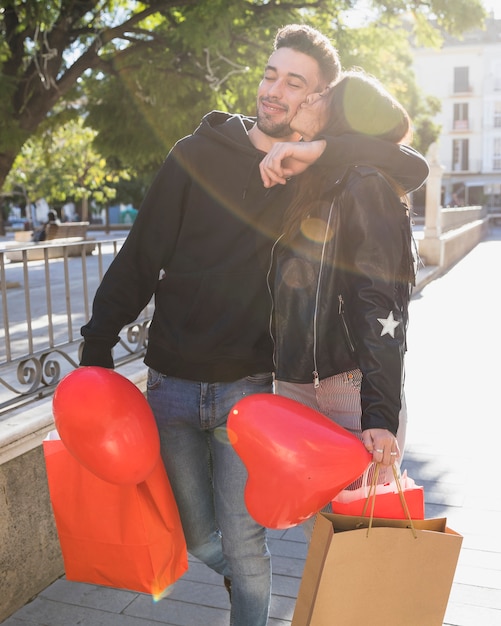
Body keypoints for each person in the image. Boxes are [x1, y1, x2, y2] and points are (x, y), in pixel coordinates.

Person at [80, 25, 428, 626]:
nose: (275, 90)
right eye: (271, 73)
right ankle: (250, 595)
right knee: (200, 542)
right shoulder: (195, 155)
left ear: (318, 104)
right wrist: (96, 347)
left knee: (245, 547)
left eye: (297, 84)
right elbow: (140, 256)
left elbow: (409, 165)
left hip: (252, 392)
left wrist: (320, 150)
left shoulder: (313, 171)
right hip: (170, 384)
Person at [261, 70, 420, 535]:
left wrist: (380, 414)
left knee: (365, 546)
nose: (310, 96)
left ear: (344, 117)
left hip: (350, 391)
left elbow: (381, 301)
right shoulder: (310, 182)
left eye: (324, 94)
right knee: (333, 545)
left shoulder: (365, 182)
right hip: (298, 387)